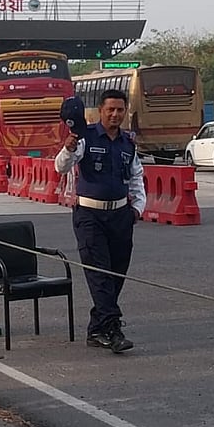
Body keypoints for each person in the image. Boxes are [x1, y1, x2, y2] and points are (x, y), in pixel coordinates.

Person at [54, 89, 145, 354]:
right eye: (110, 110)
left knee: (116, 274)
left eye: (120, 110)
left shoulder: (128, 143)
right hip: (89, 216)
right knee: (100, 274)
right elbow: (61, 166)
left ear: (125, 111)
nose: (115, 114)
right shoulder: (85, 137)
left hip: (120, 216)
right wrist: (68, 148)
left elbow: (136, 177)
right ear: (100, 111)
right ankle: (113, 328)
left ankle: (96, 329)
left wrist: (137, 209)